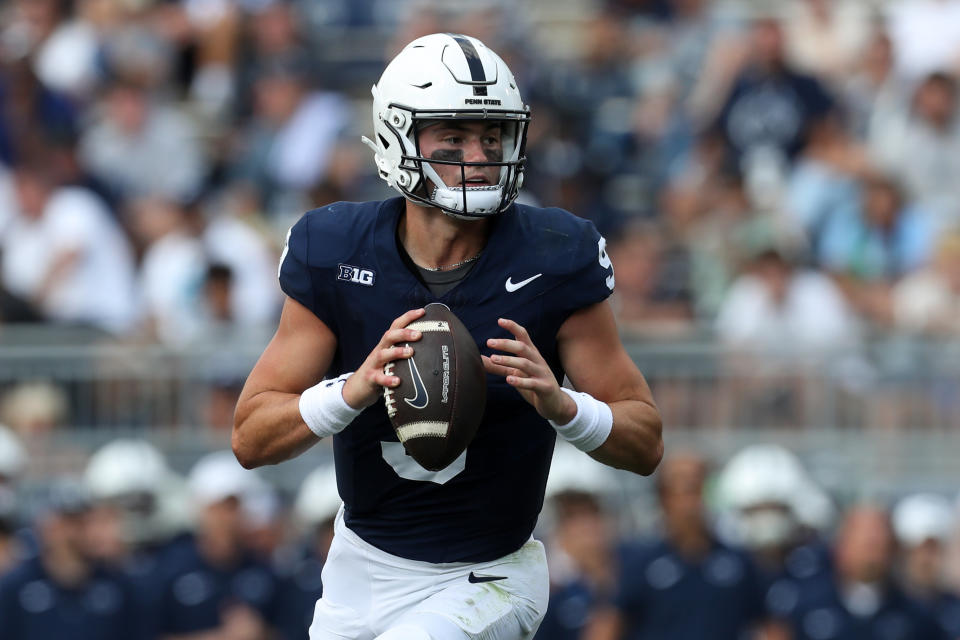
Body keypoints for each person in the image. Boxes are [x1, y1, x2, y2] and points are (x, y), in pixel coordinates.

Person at [232, 32, 664, 640]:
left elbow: (645, 442)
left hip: (490, 576)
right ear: (396, 137)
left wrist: (563, 407)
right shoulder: (335, 251)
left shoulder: (555, 256)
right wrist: (350, 392)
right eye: (453, 136)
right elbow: (250, 436)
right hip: (362, 566)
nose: (479, 154)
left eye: (492, 136)